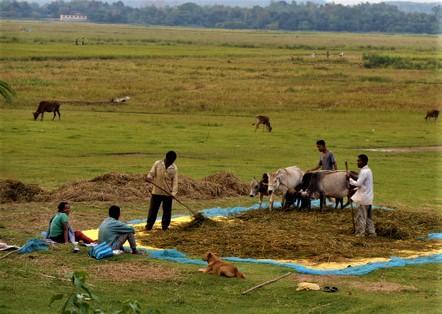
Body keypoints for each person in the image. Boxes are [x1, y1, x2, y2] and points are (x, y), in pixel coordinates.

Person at [145, 151, 178, 231]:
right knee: (153, 210)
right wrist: (149, 177)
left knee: (167, 211)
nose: (169, 162)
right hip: (156, 192)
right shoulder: (157, 164)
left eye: (171, 161)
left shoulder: (174, 168)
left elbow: (175, 182)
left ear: (173, 161)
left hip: (168, 193)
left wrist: (173, 193)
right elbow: (151, 173)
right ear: (165, 158)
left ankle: (165, 227)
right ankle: (149, 226)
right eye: (168, 160)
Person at [347, 154, 376, 237]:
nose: (357, 162)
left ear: (364, 162)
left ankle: (360, 233)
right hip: (368, 197)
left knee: (361, 216)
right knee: (369, 217)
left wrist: (349, 178)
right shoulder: (368, 170)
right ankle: (371, 232)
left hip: (363, 199)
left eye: (359, 161)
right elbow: (365, 185)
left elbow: (358, 183)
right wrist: (354, 190)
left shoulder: (364, 172)